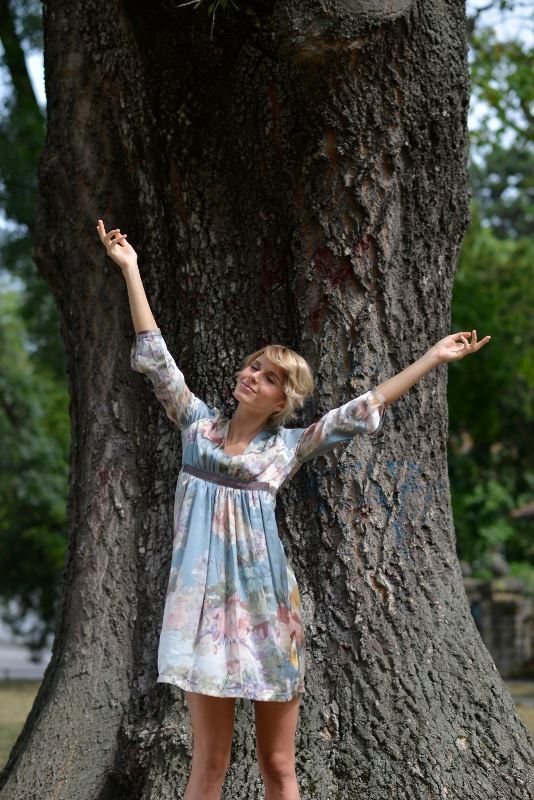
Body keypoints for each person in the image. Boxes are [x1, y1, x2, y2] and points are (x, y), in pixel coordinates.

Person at [97, 218, 490, 800]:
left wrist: (432, 357)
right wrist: (130, 270)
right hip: (201, 611)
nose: (252, 376)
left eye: (269, 376)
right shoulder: (196, 428)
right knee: (209, 760)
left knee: (278, 764)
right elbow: (156, 358)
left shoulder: (287, 448)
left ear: (284, 398)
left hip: (268, 610)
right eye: (253, 367)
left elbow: (363, 407)